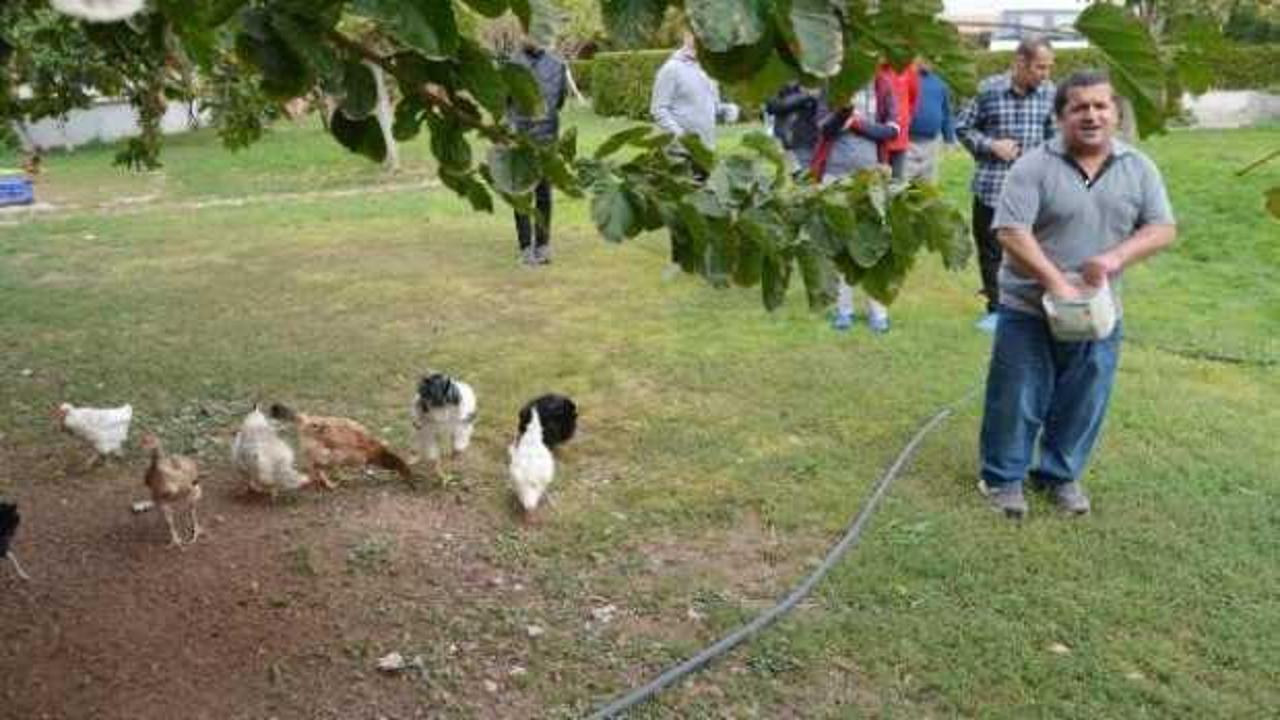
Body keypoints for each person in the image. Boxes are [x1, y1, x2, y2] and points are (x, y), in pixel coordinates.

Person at [978, 70, 1176, 519]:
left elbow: (1162, 228)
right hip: (1029, 307)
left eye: (1100, 106)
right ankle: (1003, 479)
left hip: (1097, 312)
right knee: (1017, 395)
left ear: (1115, 113)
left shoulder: (1139, 168)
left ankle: (1059, 476)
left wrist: (1114, 259)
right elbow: (1010, 231)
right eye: (1079, 107)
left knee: (1084, 398)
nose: (1091, 115)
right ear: (1061, 116)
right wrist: (1054, 281)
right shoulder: (1033, 166)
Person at [956, 37, 1057, 333]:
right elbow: (962, 127)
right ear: (1020, 63)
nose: (1045, 74)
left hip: (1034, 192)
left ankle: (1032, 309)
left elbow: (1054, 138)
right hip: (991, 187)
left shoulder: (1051, 94)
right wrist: (991, 145)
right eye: (1040, 67)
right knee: (991, 253)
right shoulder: (988, 90)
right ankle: (997, 311)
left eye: (1049, 68)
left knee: (1033, 251)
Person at [812, 86, 900, 334]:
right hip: (835, 177)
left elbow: (892, 131)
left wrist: (855, 123)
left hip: (872, 179)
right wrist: (843, 112)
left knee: (875, 243)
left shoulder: (883, 87)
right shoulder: (831, 87)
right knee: (839, 246)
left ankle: (879, 312)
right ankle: (844, 311)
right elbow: (824, 128)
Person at [650, 31, 739, 265]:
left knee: (708, 204)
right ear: (686, 36)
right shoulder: (671, 69)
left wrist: (726, 110)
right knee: (683, 206)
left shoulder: (709, 69)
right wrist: (681, 136)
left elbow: (712, 105)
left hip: (706, 150)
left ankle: (703, 255)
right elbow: (658, 109)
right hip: (679, 152)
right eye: (695, 33)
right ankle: (681, 258)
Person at [507, 38, 568, 266]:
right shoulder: (511, 65)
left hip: (547, 138)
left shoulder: (557, 64)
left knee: (544, 194)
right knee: (522, 194)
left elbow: (559, 101)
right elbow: (505, 101)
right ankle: (525, 247)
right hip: (520, 138)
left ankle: (542, 245)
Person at [904, 61, 956, 183]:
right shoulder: (904, 79)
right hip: (907, 144)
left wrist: (949, 140)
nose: (926, 62)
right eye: (924, 57)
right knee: (903, 185)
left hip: (931, 145)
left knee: (927, 188)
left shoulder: (940, 84)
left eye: (930, 59)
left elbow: (946, 113)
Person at [874, 60, 920, 180]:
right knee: (876, 180)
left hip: (899, 137)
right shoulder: (874, 68)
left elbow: (913, 100)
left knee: (896, 182)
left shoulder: (908, 69)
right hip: (875, 135)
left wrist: (903, 120)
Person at [764, 81, 825, 174]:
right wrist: (807, 95)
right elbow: (773, 105)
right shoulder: (782, 84)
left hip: (816, 137)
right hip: (794, 139)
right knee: (804, 175)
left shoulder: (815, 82)